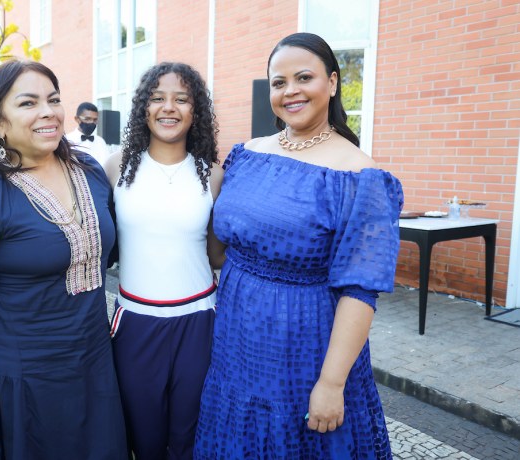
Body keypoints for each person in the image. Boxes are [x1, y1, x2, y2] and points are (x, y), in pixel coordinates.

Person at [194, 32, 403, 459]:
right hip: (236, 340)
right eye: (278, 82)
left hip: (305, 344)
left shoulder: (360, 176)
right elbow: (220, 241)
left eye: (303, 77)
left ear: (332, 82)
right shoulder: (246, 155)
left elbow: (360, 291)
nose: (290, 91)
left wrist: (331, 383)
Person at [0, 59, 127, 459]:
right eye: (28, 103)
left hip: (93, 364)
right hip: (22, 376)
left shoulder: (87, 170)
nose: (48, 111)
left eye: (53, 99)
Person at [104, 62, 225, 459]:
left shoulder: (213, 175)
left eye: (181, 99)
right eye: (157, 98)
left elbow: (215, 252)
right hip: (135, 322)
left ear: (196, 111)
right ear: (143, 108)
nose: (168, 107)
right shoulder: (116, 168)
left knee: (191, 438)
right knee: (144, 439)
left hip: (199, 322)